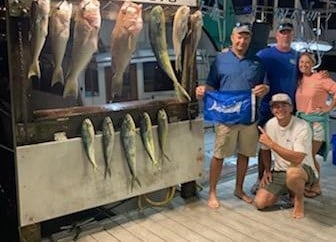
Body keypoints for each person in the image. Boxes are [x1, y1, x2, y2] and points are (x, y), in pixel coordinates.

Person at [195, 22, 269, 208]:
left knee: (245, 154)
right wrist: (203, 90)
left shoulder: (257, 61)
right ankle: (212, 191)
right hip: (225, 117)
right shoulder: (220, 59)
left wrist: (264, 89)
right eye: (239, 36)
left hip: (249, 118)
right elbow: (212, 84)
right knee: (219, 154)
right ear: (232, 37)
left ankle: (239, 188)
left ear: (249, 39)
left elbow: (265, 85)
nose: (242, 40)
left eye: (246, 37)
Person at [250, 21, 300, 194]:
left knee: (289, 147)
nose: (285, 35)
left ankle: (288, 182)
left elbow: (305, 75)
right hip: (268, 108)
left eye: (288, 32)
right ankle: (261, 178)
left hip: (289, 110)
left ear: (292, 35)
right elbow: (250, 64)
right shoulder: (265, 54)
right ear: (276, 35)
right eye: (282, 32)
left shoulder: (297, 55)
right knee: (265, 145)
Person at [254, 93, 318, 219]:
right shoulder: (270, 125)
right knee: (260, 203)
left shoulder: (302, 126)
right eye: (276, 106)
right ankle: (289, 189)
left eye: (284, 105)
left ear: (291, 108)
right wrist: (267, 170)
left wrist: (272, 144)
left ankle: (298, 199)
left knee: (293, 173)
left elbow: (298, 158)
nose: (280, 109)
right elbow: (265, 150)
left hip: (303, 169)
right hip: (280, 171)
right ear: (272, 110)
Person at [295, 52, 336, 198]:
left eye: (307, 62)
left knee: (310, 156)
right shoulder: (299, 79)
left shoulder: (320, 77)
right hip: (302, 122)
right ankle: (308, 182)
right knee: (304, 156)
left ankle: (316, 185)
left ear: (313, 64)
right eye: (301, 62)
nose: (304, 65)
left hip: (317, 122)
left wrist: (328, 107)